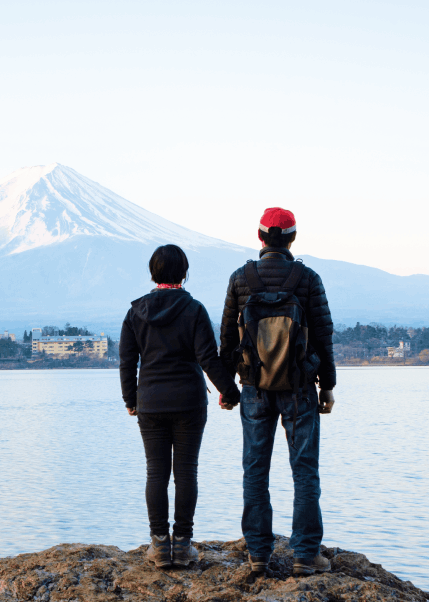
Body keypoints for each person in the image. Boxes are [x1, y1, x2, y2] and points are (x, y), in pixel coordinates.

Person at [219, 207, 336, 578]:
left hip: (253, 387)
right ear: (292, 239)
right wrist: (327, 386)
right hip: (300, 388)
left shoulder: (241, 279)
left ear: (260, 238)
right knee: (305, 471)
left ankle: (258, 553)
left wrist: (226, 388)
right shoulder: (307, 278)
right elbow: (323, 335)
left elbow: (226, 339)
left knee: (255, 470)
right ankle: (305, 554)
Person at [120, 244, 241, 569]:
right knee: (186, 471)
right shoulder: (194, 310)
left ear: (153, 273)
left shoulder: (135, 312)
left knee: (156, 473)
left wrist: (130, 399)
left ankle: (160, 546)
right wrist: (229, 392)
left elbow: (127, 361)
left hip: (151, 402)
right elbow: (208, 358)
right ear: (184, 273)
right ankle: (183, 545)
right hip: (189, 401)